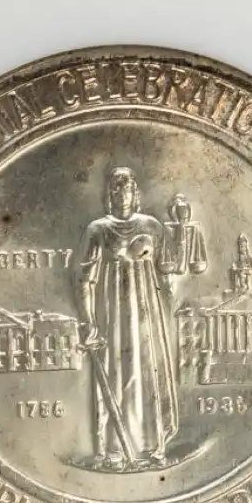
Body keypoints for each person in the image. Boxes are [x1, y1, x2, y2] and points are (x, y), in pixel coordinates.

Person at [76, 168, 180, 468]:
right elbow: (84, 280)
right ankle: (115, 451)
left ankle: (154, 446)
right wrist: (89, 322)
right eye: (117, 189)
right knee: (117, 372)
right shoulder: (98, 230)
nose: (123, 195)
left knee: (149, 372)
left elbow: (168, 270)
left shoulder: (152, 226)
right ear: (109, 195)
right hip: (112, 313)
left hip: (147, 311)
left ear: (136, 194)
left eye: (128, 189)